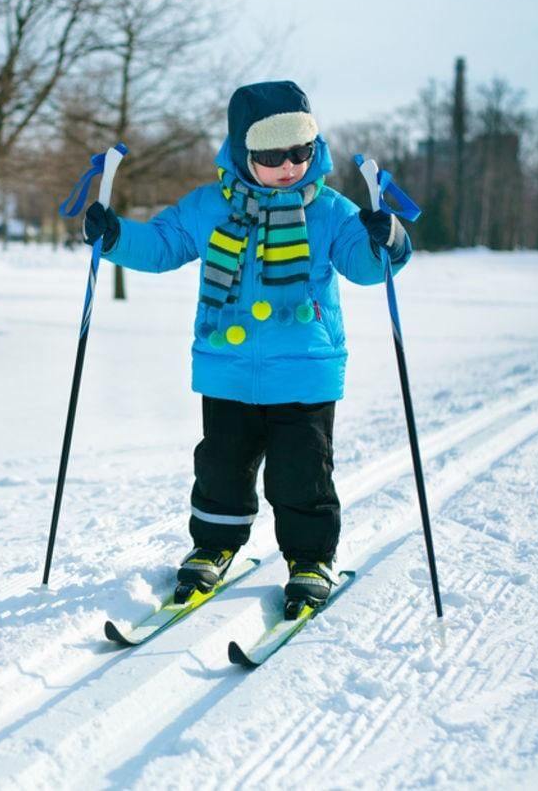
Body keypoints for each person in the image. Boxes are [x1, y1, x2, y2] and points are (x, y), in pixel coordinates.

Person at [82, 80, 410, 614]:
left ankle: (310, 558)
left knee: (300, 474)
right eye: (272, 154)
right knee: (220, 468)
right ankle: (213, 546)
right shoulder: (210, 206)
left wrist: (387, 239)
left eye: (301, 152)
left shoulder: (328, 210)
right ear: (242, 151)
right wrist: (114, 236)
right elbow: (163, 245)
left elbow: (368, 267)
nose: (289, 166)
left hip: (303, 373)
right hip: (227, 369)